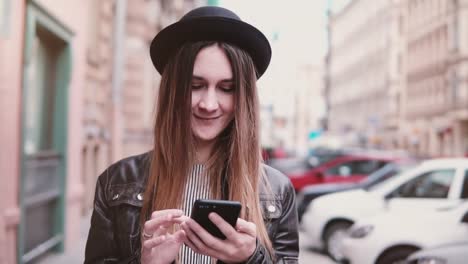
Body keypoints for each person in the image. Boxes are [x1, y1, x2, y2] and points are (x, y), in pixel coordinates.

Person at [84, 6, 299, 264]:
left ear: (244, 98)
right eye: (195, 86)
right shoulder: (116, 182)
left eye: (226, 88)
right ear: (173, 90)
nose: (208, 104)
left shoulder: (277, 191)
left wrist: (251, 258)